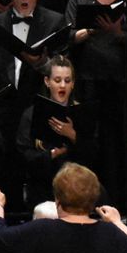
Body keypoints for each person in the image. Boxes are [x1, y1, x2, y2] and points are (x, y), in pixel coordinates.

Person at [0, 0, 69, 210]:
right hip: (2, 117)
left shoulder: (55, 21)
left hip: (38, 116)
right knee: (5, 185)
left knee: (42, 188)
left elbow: (62, 72)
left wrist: (42, 64)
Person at [66, 0, 127, 207]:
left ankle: (117, 202)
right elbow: (68, 35)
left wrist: (117, 32)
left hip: (118, 81)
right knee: (91, 140)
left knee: (115, 143)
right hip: (87, 80)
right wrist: (89, 30)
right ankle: (85, 200)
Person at [17, 55, 98, 202]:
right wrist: (53, 154)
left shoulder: (82, 113)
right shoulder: (31, 114)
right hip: (42, 188)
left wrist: (72, 135)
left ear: (73, 84)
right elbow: (24, 156)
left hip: (76, 189)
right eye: (57, 80)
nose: (62, 85)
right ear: (47, 81)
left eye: (67, 81)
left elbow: (93, 155)